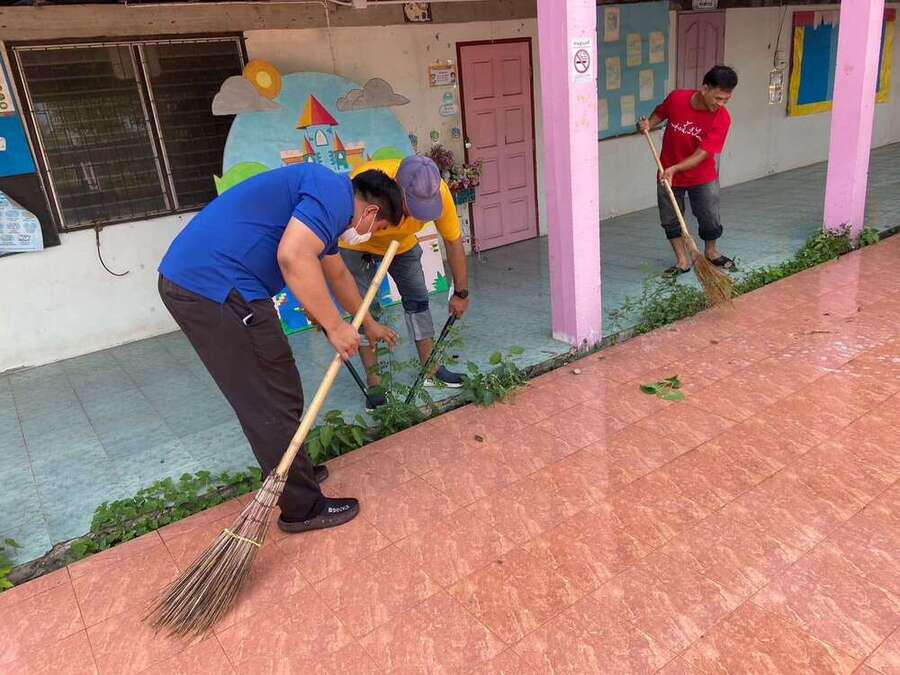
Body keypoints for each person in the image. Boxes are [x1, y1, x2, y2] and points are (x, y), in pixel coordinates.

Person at [157, 163, 402, 534]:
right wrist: (335, 326)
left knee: (280, 384)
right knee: (268, 397)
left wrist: (367, 323)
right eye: (379, 228)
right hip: (215, 288)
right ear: (370, 211)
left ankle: (291, 472)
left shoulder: (328, 197)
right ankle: (302, 507)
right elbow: (293, 256)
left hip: (217, 284)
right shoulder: (332, 196)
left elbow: (336, 273)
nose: (372, 235)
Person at [339, 155, 470, 410]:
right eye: (412, 208)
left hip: (403, 246)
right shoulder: (365, 182)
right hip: (357, 245)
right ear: (395, 188)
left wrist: (461, 293)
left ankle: (431, 369)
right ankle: (375, 384)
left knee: (418, 302)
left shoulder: (439, 191)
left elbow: (453, 241)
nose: (414, 215)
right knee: (364, 312)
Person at [638, 65, 738, 277]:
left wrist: (675, 168)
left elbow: (703, 154)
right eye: (718, 98)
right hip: (666, 171)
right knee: (670, 218)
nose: (721, 104)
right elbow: (661, 112)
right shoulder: (677, 98)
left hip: (701, 176)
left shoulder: (722, 118)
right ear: (705, 88)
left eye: (726, 100)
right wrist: (649, 124)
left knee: (709, 216)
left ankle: (711, 252)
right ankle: (682, 261)